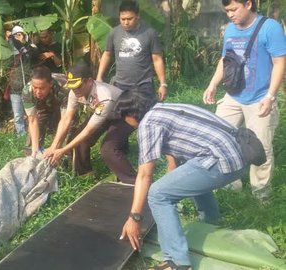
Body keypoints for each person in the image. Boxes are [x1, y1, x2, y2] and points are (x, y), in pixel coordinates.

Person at [117, 91, 247, 270]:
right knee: (188, 173)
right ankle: (210, 223)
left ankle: (177, 263)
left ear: (130, 115)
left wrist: (135, 217)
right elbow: (177, 144)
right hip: (238, 154)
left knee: (158, 193)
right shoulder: (166, 109)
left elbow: (145, 174)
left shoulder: (148, 123)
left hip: (221, 160)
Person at [203, 0, 286, 200]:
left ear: (248, 4)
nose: (230, 14)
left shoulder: (269, 27)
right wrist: (213, 84)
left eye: (234, 9)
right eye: (227, 11)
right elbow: (226, 60)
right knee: (219, 137)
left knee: (260, 148)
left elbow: (279, 62)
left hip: (260, 97)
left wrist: (270, 96)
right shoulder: (230, 29)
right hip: (233, 95)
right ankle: (231, 184)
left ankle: (261, 193)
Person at [43, 62, 133, 179]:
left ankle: (132, 180)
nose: (75, 90)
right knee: (76, 138)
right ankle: (85, 174)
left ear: (89, 81)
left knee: (108, 148)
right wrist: (54, 146)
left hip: (124, 115)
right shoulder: (75, 91)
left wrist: (64, 150)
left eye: (78, 86)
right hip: (104, 114)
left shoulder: (104, 95)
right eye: (72, 86)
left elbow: (88, 131)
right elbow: (66, 118)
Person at [95, 0, 167, 102]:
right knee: (122, 116)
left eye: (129, 19)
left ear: (138, 16)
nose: (126, 22)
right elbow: (107, 54)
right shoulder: (114, 33)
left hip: (144, 85)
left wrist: (163, 84)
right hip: (120, 86)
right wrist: (99, 77)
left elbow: (157, 59)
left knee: (145, 115)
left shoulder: (149, 33)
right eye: (122, 19)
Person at [22, 66, 68, 157]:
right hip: (42, 105)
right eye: (35, 87)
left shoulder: (64, 89)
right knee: (36, 127)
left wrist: (54, 147)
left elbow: (65, 120)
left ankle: (65, 160)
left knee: (68, 132)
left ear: (50, 84)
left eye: (42, 88)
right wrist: (35, 150)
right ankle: (32, 157)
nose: (38, 91)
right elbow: (33, 120)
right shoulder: (27, 91)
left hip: (62, 104)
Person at [6, 25, 38, 135]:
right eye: (16, 35)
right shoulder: (9, 51)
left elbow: (34, 55)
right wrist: (9, 39)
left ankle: (33, 133)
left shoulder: (30, 47)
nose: (18, 37)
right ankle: (21, 135)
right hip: (15, 87)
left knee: (31, 112)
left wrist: (23, 43)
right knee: (18, 115)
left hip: (28, 86)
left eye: (20, 34)